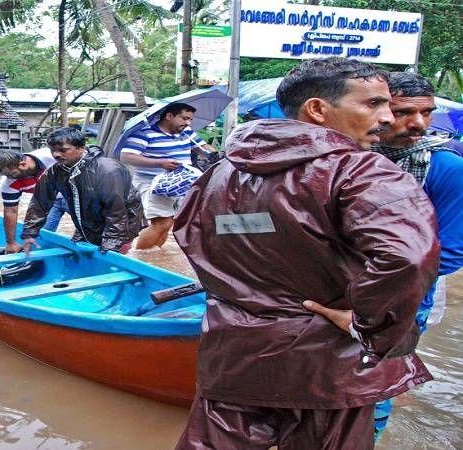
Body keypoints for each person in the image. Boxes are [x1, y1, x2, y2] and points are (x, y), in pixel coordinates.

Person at [172, 58, 440, 449]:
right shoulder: (361, 171)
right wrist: (367, 326)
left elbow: (190, 236)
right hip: (328, 364)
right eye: (373, 104)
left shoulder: (220, 172)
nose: (387, 118)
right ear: (317, 109)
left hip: (234, 353)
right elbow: (408, 258)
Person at [370, 71, 463, 441]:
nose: (418, 123)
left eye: (426, 112)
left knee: (377, 390)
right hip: (335, 294)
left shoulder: (445, 169)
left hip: (404, 299)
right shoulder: (349, 157)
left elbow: (453, 251)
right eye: (405, 111)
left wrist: (375, 289)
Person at [20, 127, 141, 254]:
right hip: (87, 223)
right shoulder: (56, 171)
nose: (56, 154)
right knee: (79, 255)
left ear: (82, 147)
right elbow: (39, 202)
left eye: (63, 150)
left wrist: (111, 245)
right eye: (52, 150)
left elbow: (117, 212)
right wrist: (30, 233)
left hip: (122, 226)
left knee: (109, 258)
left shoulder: (107, 170)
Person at [118, 102, 216, 249]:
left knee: (170, 223)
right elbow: (126, 157)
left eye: (190, 119)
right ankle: (139, 258)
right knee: (162, 223)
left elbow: (203, 148)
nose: (188, 122)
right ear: (169, 116)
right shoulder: (145, 133)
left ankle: (155, 257)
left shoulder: (187, 132)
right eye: (184, 118)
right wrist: (160, 163)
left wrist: (211, 152)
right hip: (152, 183)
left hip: (181, 183)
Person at [0, 148, 69, 254]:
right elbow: (10, 212)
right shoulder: (8, 183)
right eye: (5, 175)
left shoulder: (51, 156)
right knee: (41, 238)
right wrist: (10, 242)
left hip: (73, 195)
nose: (9, 178)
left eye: (11, 174)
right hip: (49, 202)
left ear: (23, 165)